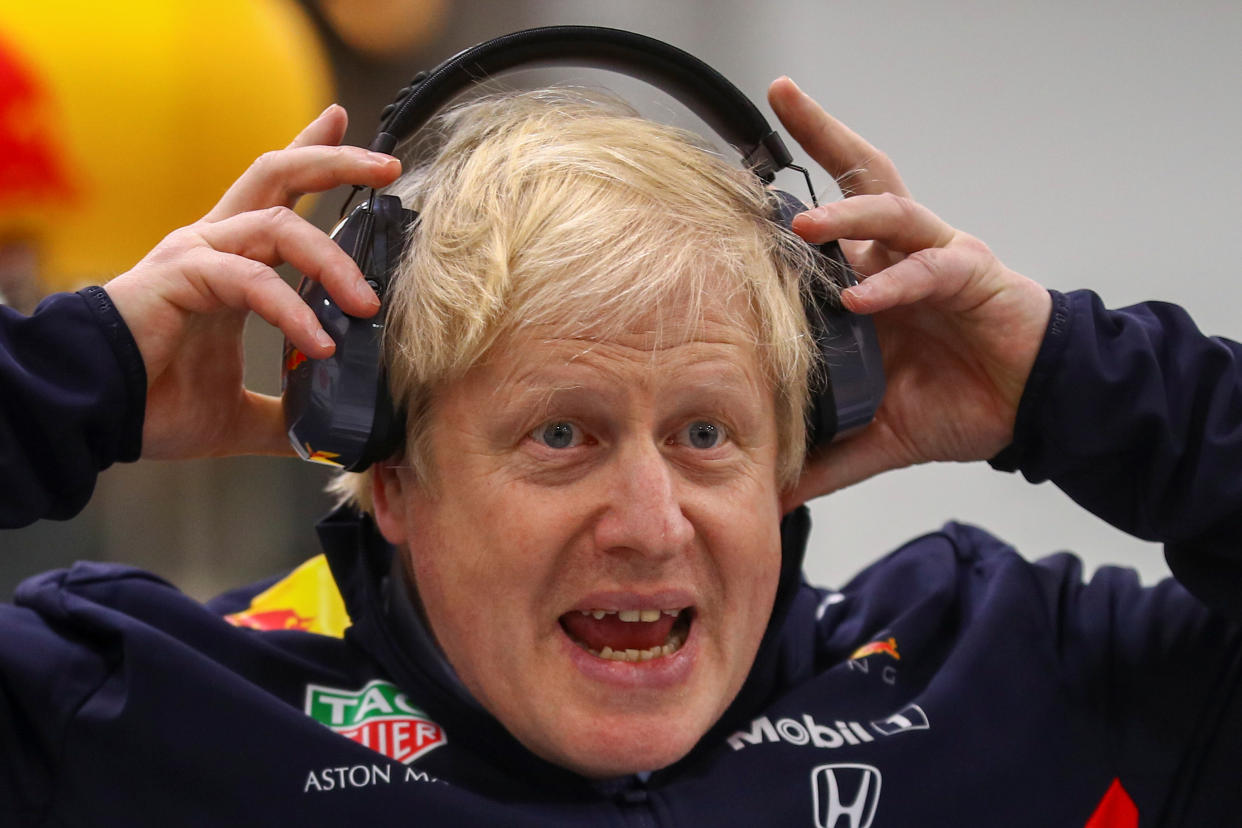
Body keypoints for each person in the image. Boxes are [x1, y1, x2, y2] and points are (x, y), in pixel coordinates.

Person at [1, 71, 1239, 828]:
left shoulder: (1020, 680)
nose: (651, 522)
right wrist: (77, 377)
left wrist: (1074, 382)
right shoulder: (126, 719)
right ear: (388, 471)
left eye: (706, 434)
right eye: (561, 435)